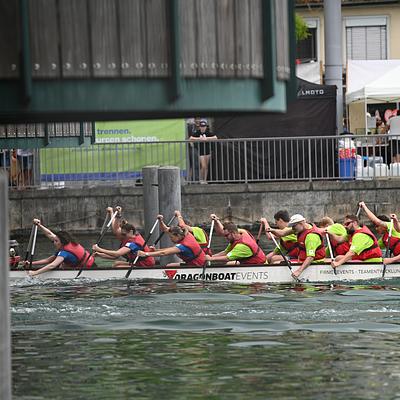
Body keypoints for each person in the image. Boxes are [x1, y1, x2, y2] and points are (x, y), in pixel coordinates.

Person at [27, 219, 95, 276]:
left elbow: (52, 265)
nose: (54, 242)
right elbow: (48, 260)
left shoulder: (64, 253)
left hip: (88, 269)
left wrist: (35, 273)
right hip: (90, 264)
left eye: (56, 241)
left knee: (61, 264)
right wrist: (39, 225)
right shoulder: (68, 242)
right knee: (62, 263)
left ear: (62, 242)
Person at [137, 216, 206, 267]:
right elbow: (165, 229)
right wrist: (161, 220)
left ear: (177, 235)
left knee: (170, 267)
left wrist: (146, 254)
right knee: (169, 265)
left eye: (171, 237)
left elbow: (164, 253)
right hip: (190, 263)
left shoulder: (183, 246)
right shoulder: (184, 234)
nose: (171, 239)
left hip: (198, 265)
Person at [189, 119, 217, 184]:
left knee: (206, 166)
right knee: (203, 165)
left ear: (206, 127)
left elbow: (215, 137)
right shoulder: (198, 132)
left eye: (204, 126)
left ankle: (205, 180)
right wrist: (199, 139)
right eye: (201, 126)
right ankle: (201, 179)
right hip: (201, 151)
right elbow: (191, 138)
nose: (203, 128)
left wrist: (206, 138)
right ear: (199, 127)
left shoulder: (208, 132)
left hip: (207, 151)